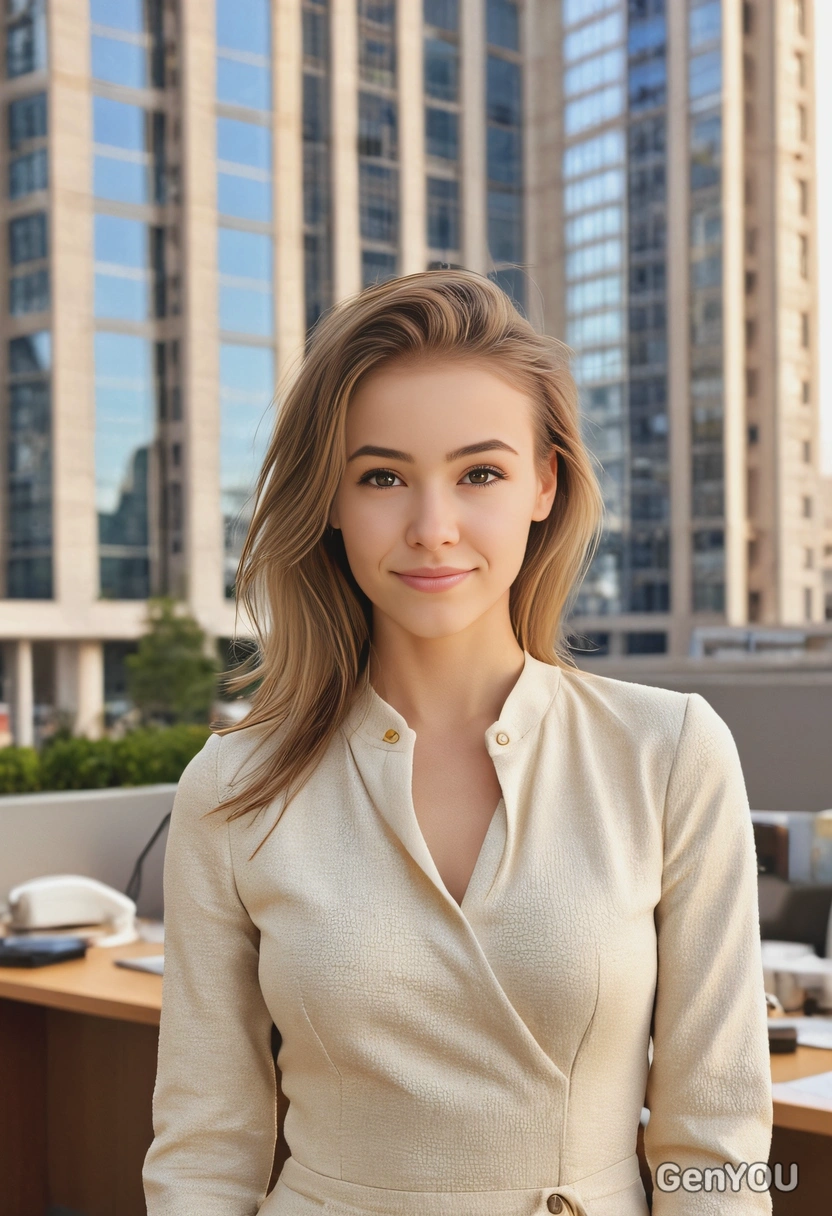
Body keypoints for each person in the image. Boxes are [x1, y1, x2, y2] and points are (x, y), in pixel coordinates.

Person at [142, 270, 773, 1216]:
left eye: (479, 473)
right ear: (331, 500)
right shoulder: (234, 787)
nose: (432, 529)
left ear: (544, 484)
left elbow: (718, 1144)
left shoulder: (670, 751)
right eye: (382, 476)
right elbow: (204, 1147)